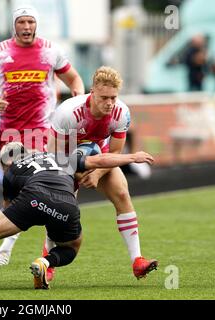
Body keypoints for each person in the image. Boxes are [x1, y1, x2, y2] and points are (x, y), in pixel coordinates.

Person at [0, 141, 155, 290]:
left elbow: (7, 208)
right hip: (65, 204)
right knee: (72, 247)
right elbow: (100, 159)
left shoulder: (11, 172)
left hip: (31, 198)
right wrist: (132, 157)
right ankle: (46, 262)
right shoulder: (62, 158)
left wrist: (6, 230)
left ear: (7, 162)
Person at [0, 5, 84, 272]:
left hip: (42, 130)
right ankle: (13, 245)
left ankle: (8, 250)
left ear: (36, 24)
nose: (26, 27)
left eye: (30, 22)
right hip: (10, 130)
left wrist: (75, 103)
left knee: (38, 188)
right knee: (12, 189)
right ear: (15, 25)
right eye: (22, 22)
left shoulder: (51, 50)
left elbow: (74, 79)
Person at [48, 66, 158, 279]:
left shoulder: (121, 112)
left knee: (123, 194)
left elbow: (115, 152)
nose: (109, 103)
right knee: (60, 209)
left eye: (113, 97)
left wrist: (96, 173)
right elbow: (56, 156)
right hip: (64, 159)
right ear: (92, 92)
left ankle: (137, 261)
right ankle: (47, 264)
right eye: (104, 97)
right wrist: (79, 174)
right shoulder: (68, 112)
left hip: (100, 159)